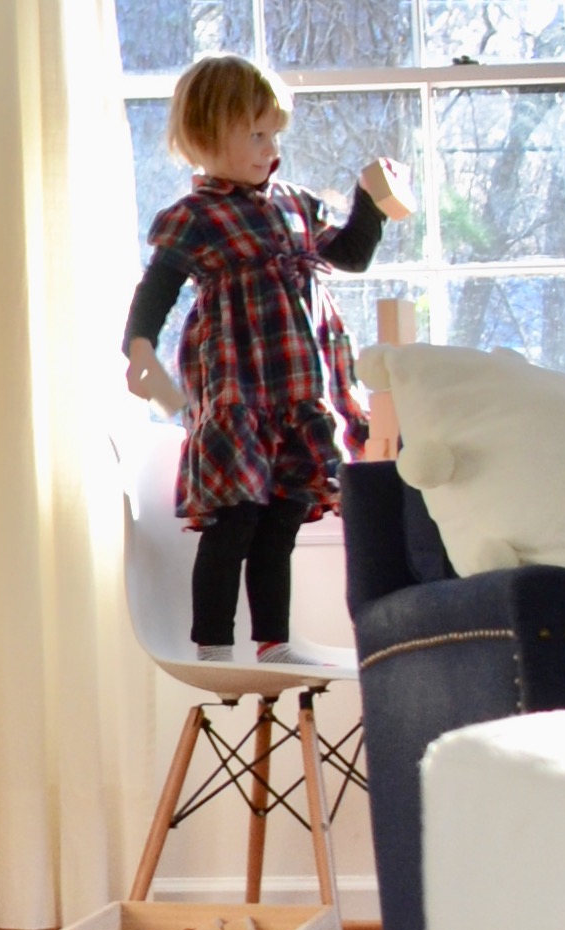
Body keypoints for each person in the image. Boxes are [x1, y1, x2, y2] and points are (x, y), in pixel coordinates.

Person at [122, 54, 412, 657]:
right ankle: (212, 644)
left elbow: (352, 255)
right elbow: (158, 287)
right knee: (237, 516)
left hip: (300, 385)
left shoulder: (295, 204)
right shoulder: (195, 217)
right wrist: (139, 345)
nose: (268, 147)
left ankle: (274, 641)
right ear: (207, 135)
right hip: (238, 383)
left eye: (273, 133)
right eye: (255, 134)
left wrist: (369, 199)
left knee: (284, 513)